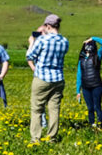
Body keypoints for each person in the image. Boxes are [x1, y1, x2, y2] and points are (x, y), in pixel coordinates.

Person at [26, 14, 69, 142]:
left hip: (42, 77)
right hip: (58, 78)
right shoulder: (64, 41)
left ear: (48, 26)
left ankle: (35, 138)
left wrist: (31, 43)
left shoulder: (42, 40)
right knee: (54, 109)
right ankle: (52, 137)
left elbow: (30, 56)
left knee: (37, 109)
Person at [76, 36, 102, 129]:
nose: (88, 46)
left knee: (97, 106)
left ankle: (99, 125)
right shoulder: (81, 59)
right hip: (86, 87)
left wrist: (93, 38)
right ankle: (92, 125)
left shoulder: (97, 56)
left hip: (96, 85)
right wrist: (78, 91)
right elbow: (79, 74)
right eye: (87, 44)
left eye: (90, 44)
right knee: (90, 108)